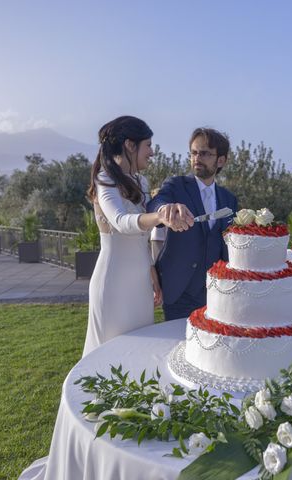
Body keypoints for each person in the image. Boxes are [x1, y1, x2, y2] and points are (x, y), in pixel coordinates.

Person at [82, 116, 194, 356]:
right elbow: (122, 223)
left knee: (138, 352)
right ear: (130, 145)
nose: (152, 152)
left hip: (140, 283)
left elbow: (140, 239)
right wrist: (160, 217)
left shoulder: (140, 181)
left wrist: (151, 269)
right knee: (109, 354)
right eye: (148, 145)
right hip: (113, 282)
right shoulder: (105, 179)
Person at [146, 127, 238, 321]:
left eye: (204, 153)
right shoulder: (175, 186)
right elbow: (156, 203)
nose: (197, 158)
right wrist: (164, 210)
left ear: (221, 160)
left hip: (216, 292)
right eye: (194, 153)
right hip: (179, 290)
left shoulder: (229, 200)